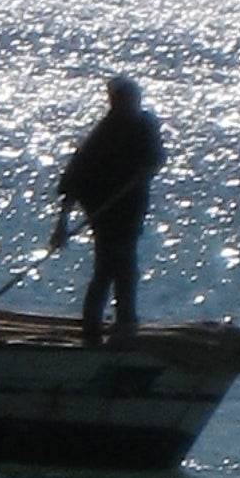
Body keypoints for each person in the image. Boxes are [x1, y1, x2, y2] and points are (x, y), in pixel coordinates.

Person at [50, 75, 165, 346]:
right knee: (113, 266)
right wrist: (62, 224)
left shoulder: (145, 125)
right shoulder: (103, 135)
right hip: (105, 211)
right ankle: (102, 328)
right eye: (123, 100)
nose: (127, 105)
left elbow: (156, 158)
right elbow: (73, 179)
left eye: (131, 100)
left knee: (122, 267)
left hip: (130, 210)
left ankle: (122, 323)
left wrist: (146, 171)